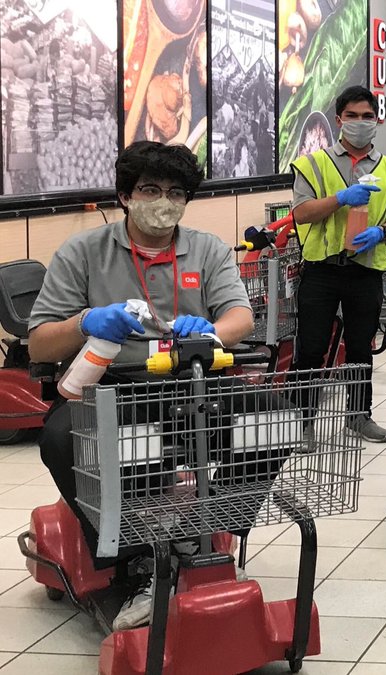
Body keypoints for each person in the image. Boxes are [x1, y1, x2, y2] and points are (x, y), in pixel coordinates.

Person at [28, 141, 256, 630]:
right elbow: (41, 343)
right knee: (61, 438)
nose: (163, 202)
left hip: (191, 381)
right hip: (111, 386)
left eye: (175, 192)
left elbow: (241, 315)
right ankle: (135, 562)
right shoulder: (83, 252)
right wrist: (86, 322)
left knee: (272, 417)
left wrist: (212, 331)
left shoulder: (207, 249)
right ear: (125, 196)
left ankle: (202, 527)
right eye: (150, 190)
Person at [290, 86, 386, 441]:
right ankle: (302, 421)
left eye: (367, 116)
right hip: (321, 269)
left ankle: (359, 416)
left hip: (366, 270)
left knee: (360, 348)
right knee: (311, 348)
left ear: (377, 120)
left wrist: (382, 232)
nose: (360, 122)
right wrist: (341, 198)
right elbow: (302, 212)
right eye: (353, 116)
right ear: (339, 120)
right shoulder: (314, 164)